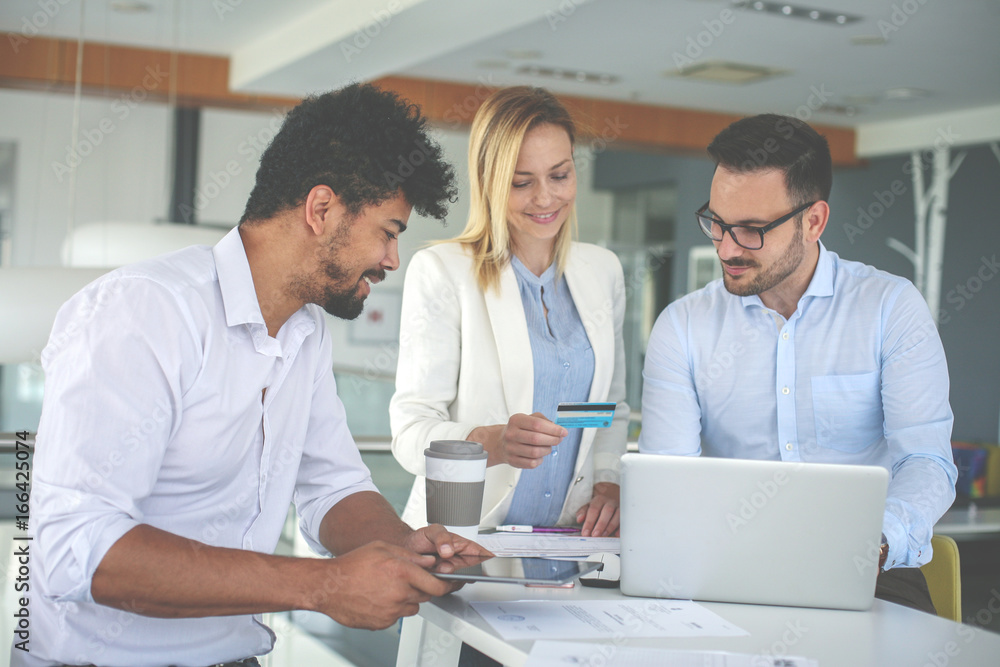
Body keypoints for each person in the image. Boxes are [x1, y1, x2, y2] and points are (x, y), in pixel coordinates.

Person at [19, 83, 489, 667]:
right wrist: (324, 586)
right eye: (388, 232)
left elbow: (334, 486)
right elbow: (73, 548)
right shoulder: (143, 311)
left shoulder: (307, 332)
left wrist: (409, 549)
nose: (392, 259)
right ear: (321, 210)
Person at [638, 113, 957, 613]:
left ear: (813, 222)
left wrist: (877, 541)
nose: (726, 247)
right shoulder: (682, 327)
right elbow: (668, 481)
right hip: (730, 570)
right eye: (717, 223)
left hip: (870, 571)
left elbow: (926, 461)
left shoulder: (889, 308)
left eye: (751, 230)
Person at [390, 86, 629, 538]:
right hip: (463, 538)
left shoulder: (603, 272)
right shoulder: (444, 271)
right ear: (490, 183)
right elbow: (410, 433)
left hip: (569, 542)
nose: (545, 198)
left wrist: (608, 482)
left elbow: (607, 411)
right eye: (522, 182)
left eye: (560, 175)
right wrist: (490, 443)